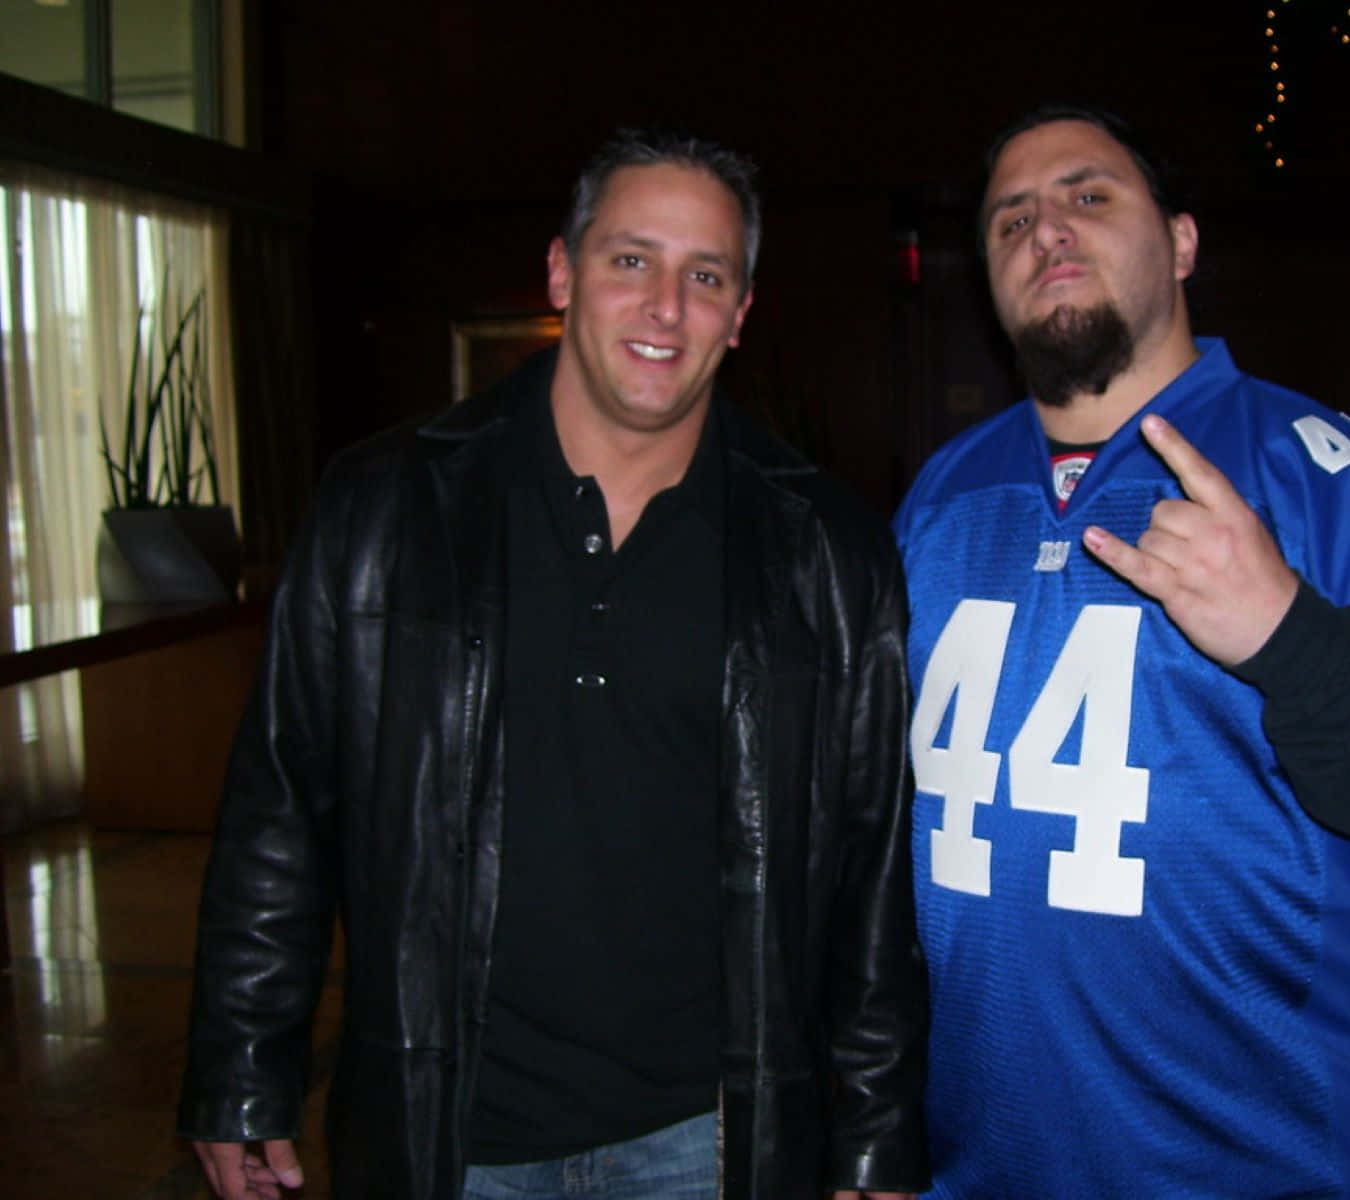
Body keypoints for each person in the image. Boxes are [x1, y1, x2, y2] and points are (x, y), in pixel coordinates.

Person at [179, 128, 929, 1200]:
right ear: (561, 271)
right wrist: (240, 1071)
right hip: (451, 1129)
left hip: (706, 1141)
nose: (665, 305)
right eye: (631, 260)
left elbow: (870, 864)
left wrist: (874, 1127)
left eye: (704, 274)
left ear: (741, 311)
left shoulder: (825, 549)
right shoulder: (384, 507)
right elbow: (282, 806)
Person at [892, 104, 1350, 1197]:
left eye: (1088, 195)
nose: (1044, 229)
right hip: (972, 1166)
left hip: (1245, 1168)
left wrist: (1295, 641)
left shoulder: (1317, 472)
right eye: (1009, 218)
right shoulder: (942, 494)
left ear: (1183, 242)